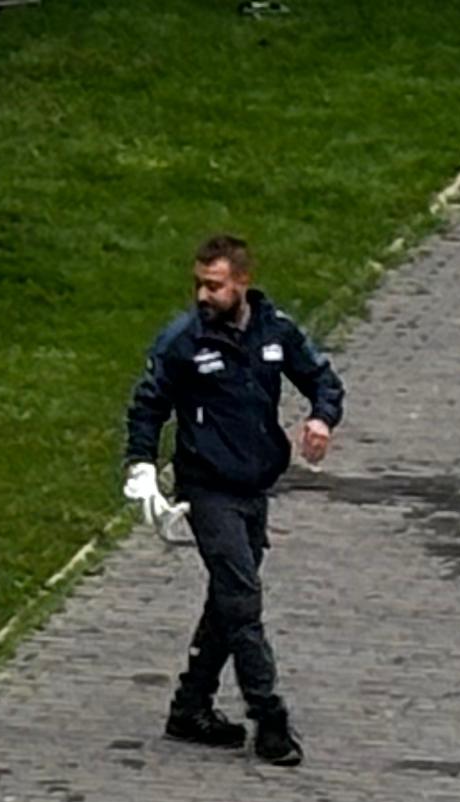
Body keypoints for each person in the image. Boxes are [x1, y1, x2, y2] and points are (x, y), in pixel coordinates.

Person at [121, 232, 341, 766]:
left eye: (214, 286)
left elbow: (322, 379)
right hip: (208, 487)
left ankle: (190, 705)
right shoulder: (183, 341)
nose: (203, 296)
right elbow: (148, 406)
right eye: (198, 284)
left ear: (242, 281)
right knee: (243, 601)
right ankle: (269, 718)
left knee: (227, 599)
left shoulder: (275, 331)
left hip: (253, 486)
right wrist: (142, 468)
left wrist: (321, 418)